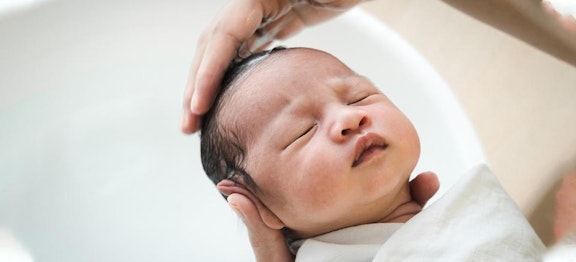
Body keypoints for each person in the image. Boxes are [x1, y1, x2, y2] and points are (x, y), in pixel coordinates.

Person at [199, 46, 546, 261]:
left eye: (357, 97)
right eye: (301, 132)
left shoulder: (465, 217)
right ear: (260, 206)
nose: (350, 117)